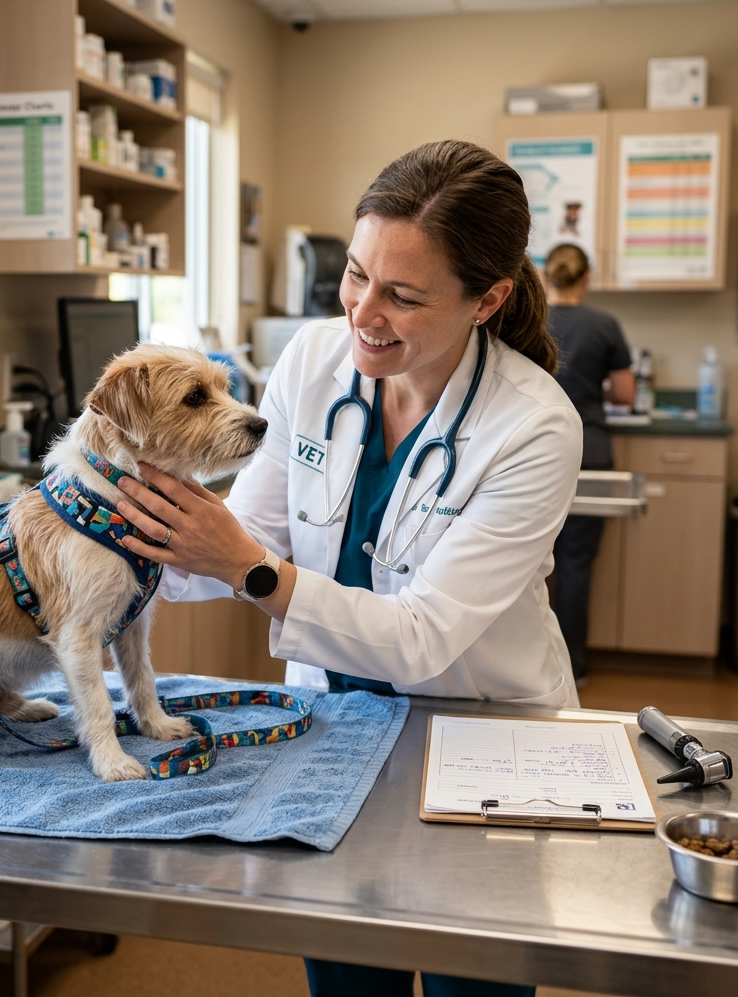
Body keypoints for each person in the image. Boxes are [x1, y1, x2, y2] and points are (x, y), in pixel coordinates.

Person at [115, 141, 583, 997]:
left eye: (403, 296)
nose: (365, 311)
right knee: (347, 973)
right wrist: (114, 538)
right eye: (357, 275)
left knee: (470, 977)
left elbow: (422, 637)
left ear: (489, 299)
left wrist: (253, 571)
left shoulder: (535, 426)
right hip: (331, 725)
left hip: (481, 730)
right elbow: (239, 533)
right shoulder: (315, 360)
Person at [543, 244, 635, 683]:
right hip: (588, 452)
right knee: (575, 562)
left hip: (534, 454)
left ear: (546, 276)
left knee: (524, 561)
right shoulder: (604, 325)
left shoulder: (529, 320)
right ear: (586, 278)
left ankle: (534, 666)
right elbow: (625, 394)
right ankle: (573, 668)